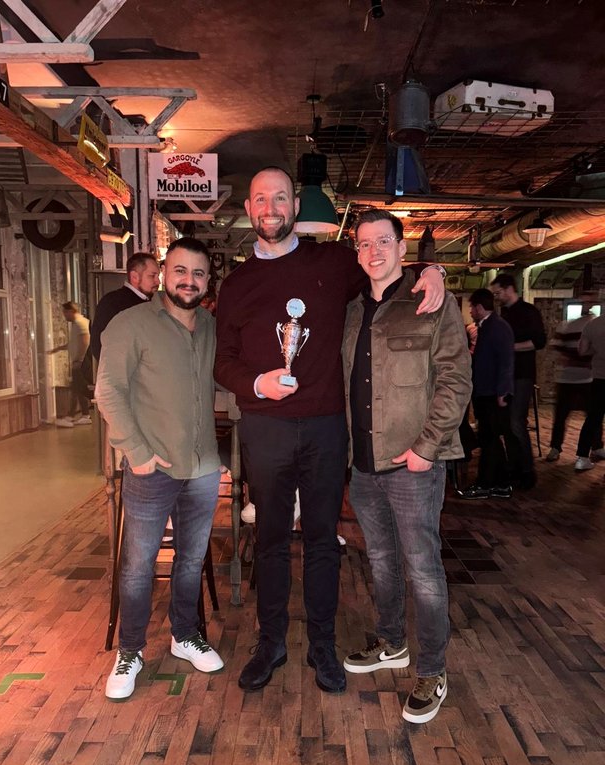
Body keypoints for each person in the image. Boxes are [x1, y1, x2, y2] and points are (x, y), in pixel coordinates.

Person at [214, 166, 445, 694]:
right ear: (248, 209)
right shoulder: (237, 283)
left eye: (279, 198)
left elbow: (386, 267)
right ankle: (271, 642)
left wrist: (432, 270)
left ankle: (322, 643)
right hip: (265, 428)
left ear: (295, 206)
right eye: (260, 199)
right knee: (270, 539)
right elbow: (222, 362)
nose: (270, 208)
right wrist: (256, 383)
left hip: (324, 428)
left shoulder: (334, 262)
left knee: (322, 540)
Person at [341, 210, 471, 723]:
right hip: (364, 464)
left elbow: (455, 379)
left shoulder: (431, 301)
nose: (373, 251)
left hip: (414, 464)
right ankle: (391, 642)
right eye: (364, 243)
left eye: (383, 241)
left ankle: (433, 669)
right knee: (380, 560)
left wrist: (428, 447)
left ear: (401, 247)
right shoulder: (352, 310)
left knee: (423, 568)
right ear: (356, 252)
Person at [95, 237, 224, 701]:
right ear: (164, 273)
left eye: (198, 273)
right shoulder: (130, 324)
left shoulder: (210, 326)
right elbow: (108, 391)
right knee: (138, 566)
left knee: (190, 560)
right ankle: (130, 651)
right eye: (180, 271)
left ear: (207, 282)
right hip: (152, 469)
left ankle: (184, 634)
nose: (189, 280)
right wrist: (137, 452)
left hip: (203, 467)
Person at [491, 273, 546, 489]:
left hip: (522, 374)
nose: (496, 297)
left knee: (516, 422)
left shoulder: (529, 311)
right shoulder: (504, 314)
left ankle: (527, 470)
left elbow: (539, 341)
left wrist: (509, 348)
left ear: (509, 289)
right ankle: (514, 466)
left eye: (498, 293)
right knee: (506, 423)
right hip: (507, 375)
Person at [458, 288, 514, 500]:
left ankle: (485, 483)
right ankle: (501, 483)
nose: (471, 311)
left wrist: (503, 391)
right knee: (490, 438)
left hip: (491, 392)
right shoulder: (488, 326)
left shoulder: (497, 327)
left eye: (472, 307)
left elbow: (506, 361)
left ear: (480, 307)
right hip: (485, 391)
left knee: (489, 439)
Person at [547, 303, 603, 463]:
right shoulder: (567, 325)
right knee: (562, 415)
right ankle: (556, 447)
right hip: (568, 378)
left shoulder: (593, 325)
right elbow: (558, 350)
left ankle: (596, 447)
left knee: (593, 415)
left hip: (587, 378)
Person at [90, 252, 161, 362]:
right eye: (152, 276)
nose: (158, 281)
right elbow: (99, 347)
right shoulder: (112, 303)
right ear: (134, 277)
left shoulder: (152, 302)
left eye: (158, 276)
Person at [51, 301, 91, 427]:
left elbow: (85, 340)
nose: (64, 316)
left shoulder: (80, 323)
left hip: (80, 362)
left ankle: (72, 416)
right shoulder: (76, 324)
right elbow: (74, 343)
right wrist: (58, 349)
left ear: (71, 311)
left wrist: (79, 359)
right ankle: (83, 415)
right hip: (79, 361)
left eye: (65, 313)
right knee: (77, 389)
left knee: (77, 388)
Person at [575, 312, 605, 472]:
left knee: (593, 418)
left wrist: (596, 350)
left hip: (599, 378)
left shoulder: (593, 324)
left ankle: (582, 458)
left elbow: (582, 350)